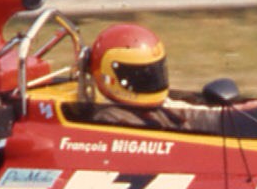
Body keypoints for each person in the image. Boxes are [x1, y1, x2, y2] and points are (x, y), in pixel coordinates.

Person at [83, 23, 225, 133]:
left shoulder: (163, 105)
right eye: (140, 76)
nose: (149, 81)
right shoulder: (110, 119)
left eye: (153, 72)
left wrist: (240, 112)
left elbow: (199, 115)